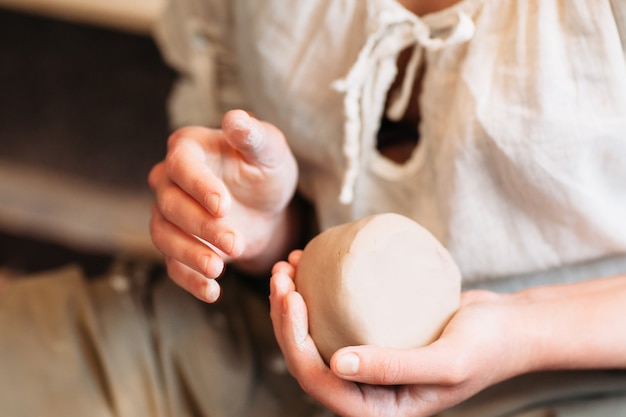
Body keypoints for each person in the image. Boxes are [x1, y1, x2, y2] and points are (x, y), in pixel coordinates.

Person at [149, 0, 626, 416]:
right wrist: (262, 227)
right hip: (285, 333)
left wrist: (524, 331)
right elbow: (297, 229)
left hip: (578, 367)